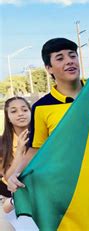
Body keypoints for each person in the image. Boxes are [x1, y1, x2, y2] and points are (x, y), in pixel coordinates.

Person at [8, 38, 83, 193]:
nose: (69, 61)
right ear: (49, 68)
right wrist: (16, 174)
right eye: (60, 58)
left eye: (72, 55)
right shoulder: (41, 107)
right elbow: (36, 150)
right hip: (67, 188)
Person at [0, 97, 31, 231]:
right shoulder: (2, 144)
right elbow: (8, 177)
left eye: (24, 109)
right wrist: (19, 151)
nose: (20, 113)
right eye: (14, 111)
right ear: (7, 117)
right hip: (12, 201)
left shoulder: (43, 136)